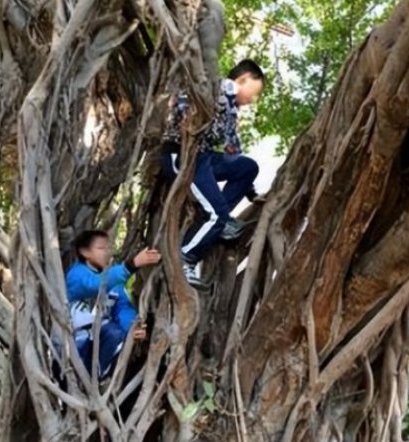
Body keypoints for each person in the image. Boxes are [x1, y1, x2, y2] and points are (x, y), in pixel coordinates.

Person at [159, 59, 265, 287]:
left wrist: (251, 194)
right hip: (183, 157)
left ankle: (222, 217)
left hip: (204, 157)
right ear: (243, 79)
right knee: (216, 214)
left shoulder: (232, 108)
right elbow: (181, 109)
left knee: (248, 167)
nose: (253, 99)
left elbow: (231, 152)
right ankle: (184, 259)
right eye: (254, 92)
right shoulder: (218, 88)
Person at [66, 230, 161, 378]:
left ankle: (98, 377)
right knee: (111, 330)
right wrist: (131, 266)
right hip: (74, 347)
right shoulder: (77, 275)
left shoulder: (115, 285)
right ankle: (88, 377)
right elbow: (96, 285)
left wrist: (133, 328)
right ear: (84, 252)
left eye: (109, 248)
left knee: (116, 333)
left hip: (101, 347)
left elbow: (122, 309)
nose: (107, 253)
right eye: (101, 248)